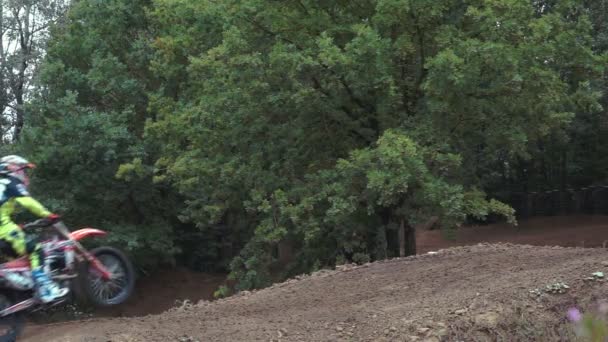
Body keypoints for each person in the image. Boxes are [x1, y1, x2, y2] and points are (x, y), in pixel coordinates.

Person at [0, 155, 68, 303]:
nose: (25, 175)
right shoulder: (10, 183)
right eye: (24, 171)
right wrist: (48, 215)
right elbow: (29, 203)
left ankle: (25, 294)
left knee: (21, 262)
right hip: (3, 230)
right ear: (14, 169)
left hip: (4, 231)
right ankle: (46, 289)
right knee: (36, 250)